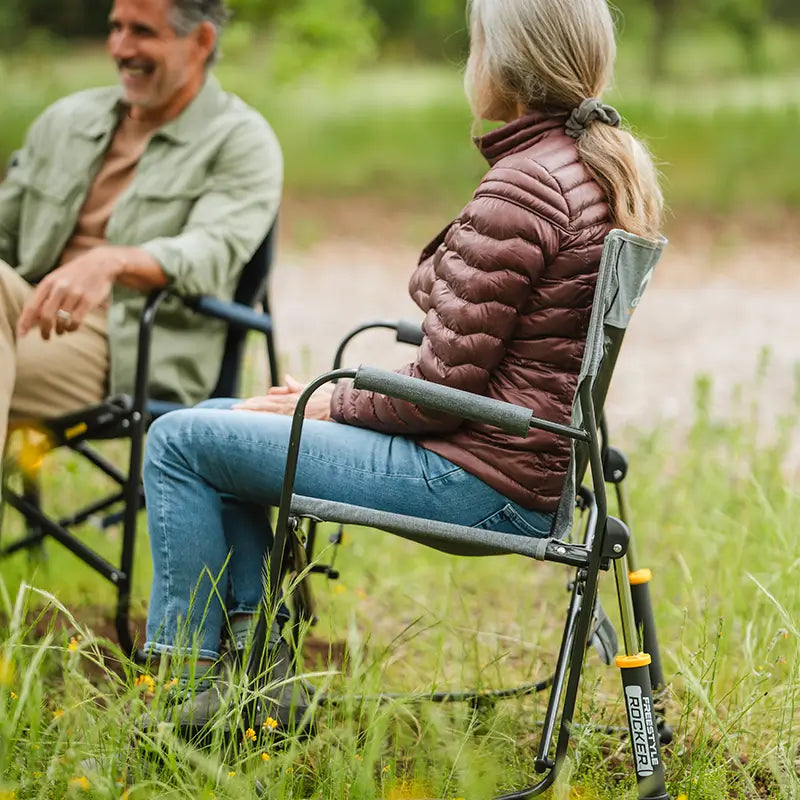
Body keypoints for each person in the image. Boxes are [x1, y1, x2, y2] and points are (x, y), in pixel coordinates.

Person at [141, 0, 663, 725]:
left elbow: (441, 390)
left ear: (501, 62)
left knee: (177, 442)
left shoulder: (526, 184)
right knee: (223, 425)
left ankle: (182, 691)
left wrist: (327, 402)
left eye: (475, 43)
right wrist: (325, 401)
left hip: (477, 477)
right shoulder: (581, 168)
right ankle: (259, 679)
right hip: (512, 460)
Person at [0, 0, 282, 465]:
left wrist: (111, 260)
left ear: (201, 41)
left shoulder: (239, 140)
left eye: (143, 32)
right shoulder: (67, 120)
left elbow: (211, 250)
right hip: (22, 309)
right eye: (115, 27)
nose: (120, 47)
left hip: (121, 348)